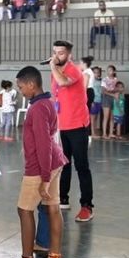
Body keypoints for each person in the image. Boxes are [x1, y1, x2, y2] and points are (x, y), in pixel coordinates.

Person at [0, 66, 66, 258]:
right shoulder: (47, 102)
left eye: (21, 87)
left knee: (24, 210)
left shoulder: (37, 108)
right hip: (55, 162)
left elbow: (44, 144)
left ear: (31, 84)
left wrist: (44, 178)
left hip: (41, 167)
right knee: (53, 208)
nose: (20, 91)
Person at [49, 40, 94, 222]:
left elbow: (63, 82)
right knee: (64, 164)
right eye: (55, 52)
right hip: (62, 126)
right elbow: (55, 96)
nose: (56, 56)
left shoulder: (74, 70)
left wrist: (52, 67)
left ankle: (87, 206)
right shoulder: (55, 72)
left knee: (81, 167)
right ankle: (63, 198)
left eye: (60, 53)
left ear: (69, 55)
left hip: (78, 126)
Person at [101, 65, 118, 139]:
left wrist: (115, 93)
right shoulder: (104, 80)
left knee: (112, 117)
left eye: (111, 70)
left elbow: (116, 89)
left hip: (113, 98)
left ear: (114, 71)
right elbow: (103, 91)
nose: (109, 72)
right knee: (106, 117)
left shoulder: (115, 79)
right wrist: (112, 94)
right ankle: (104, 134)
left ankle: (111, 133)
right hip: (106, 98)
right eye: (108, 70)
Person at [90, 66, 103, 138]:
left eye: (98, 72)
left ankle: (94, 132)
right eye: (94, 72)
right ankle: (92, 133)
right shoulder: (91, 81)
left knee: (96, 118)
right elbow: (89, 92)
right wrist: (91, 101)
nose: (96, 74)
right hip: (94, 101)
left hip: (99, 100)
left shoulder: (100, 80)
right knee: (92, 118)